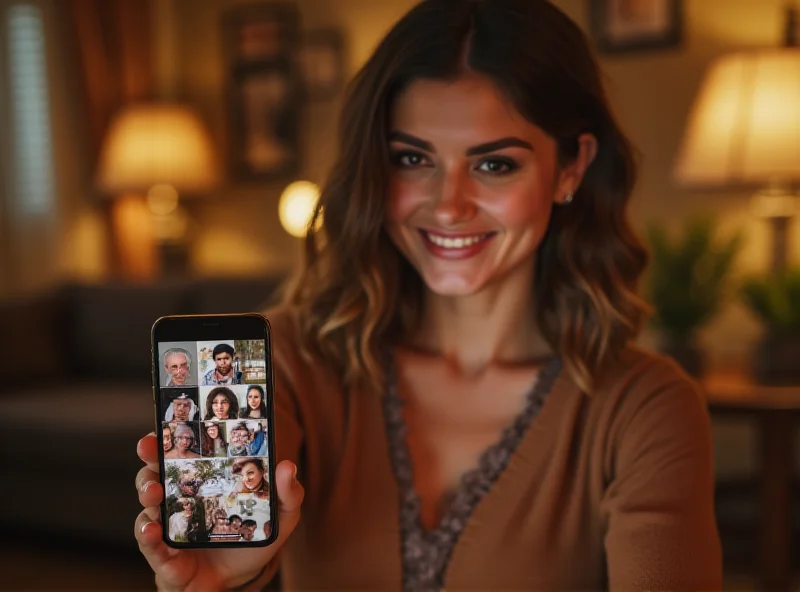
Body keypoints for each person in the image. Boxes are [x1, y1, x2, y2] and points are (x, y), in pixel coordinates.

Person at [135, 1, 722, 589]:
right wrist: (221, 582)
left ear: (570, 168)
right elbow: (231, 518)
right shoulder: (287, 358)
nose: (447, 205)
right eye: (412, 159)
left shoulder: (645, 410)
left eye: (494, 164)